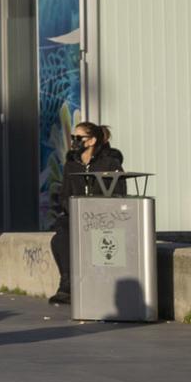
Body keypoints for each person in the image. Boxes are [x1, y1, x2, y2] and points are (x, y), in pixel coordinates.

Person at [49, 123, 125, 305]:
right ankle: (66, 285)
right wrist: (74, 210)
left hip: (103, 217)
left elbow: (119, 192)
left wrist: (97, 211)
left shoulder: (110, 163)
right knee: (60, 237)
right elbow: (65, 194)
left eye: (78, 138)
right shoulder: (71, 164)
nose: (74, 142)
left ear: (92, 141)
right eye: (73, 137)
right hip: (76, 216)